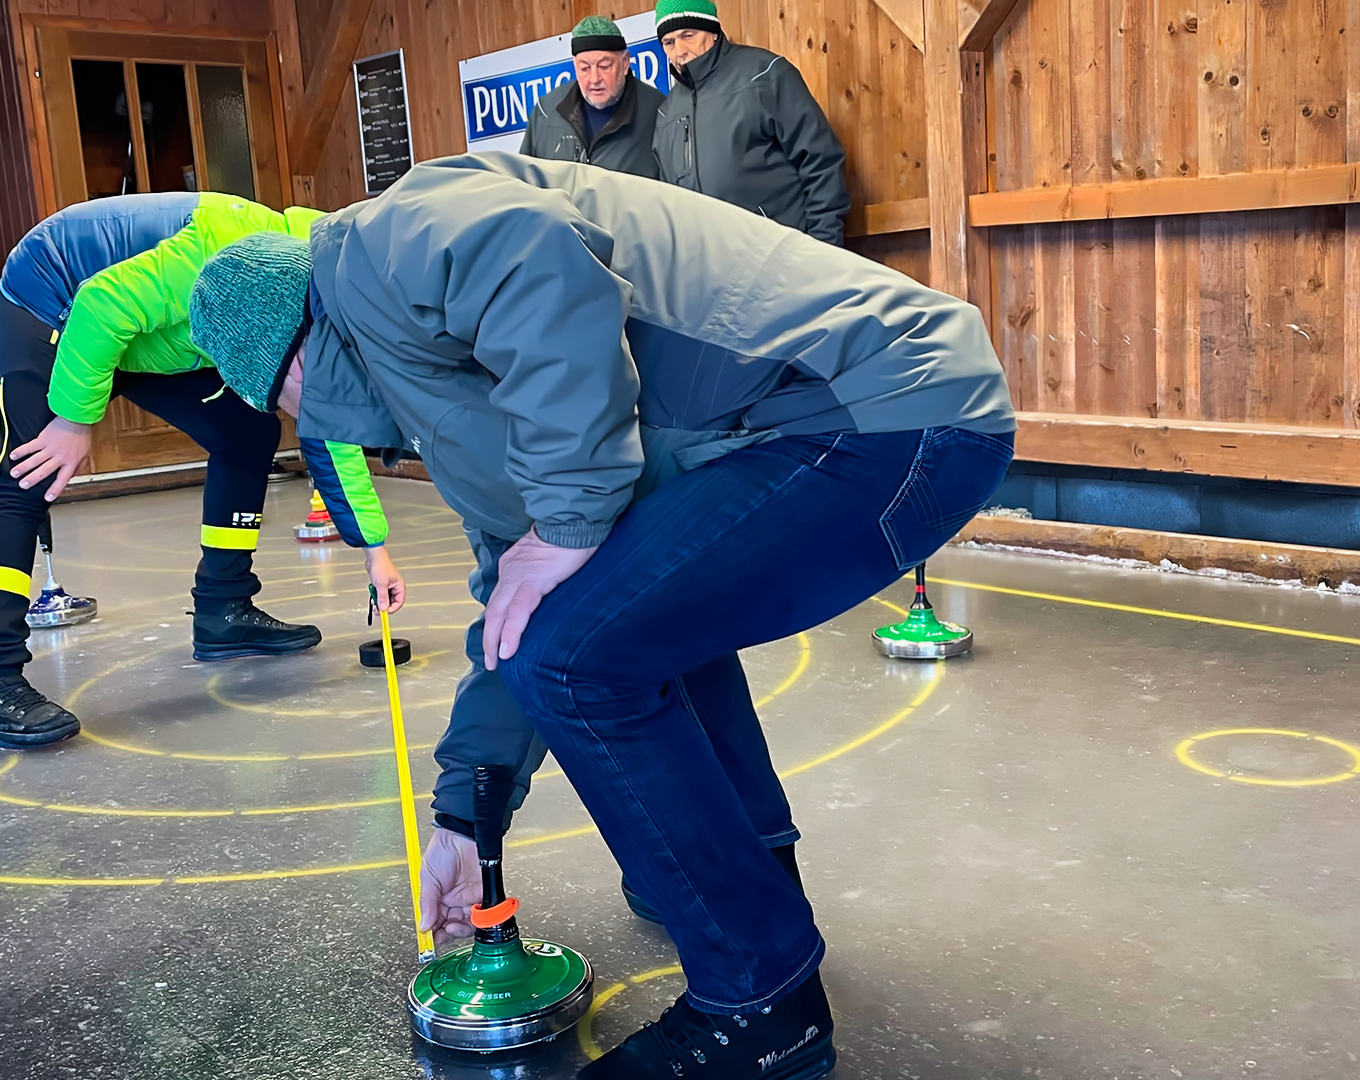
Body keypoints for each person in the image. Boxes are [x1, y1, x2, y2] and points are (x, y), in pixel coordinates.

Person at [189, 153, 1013, 1080]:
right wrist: (467, 811)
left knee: (578, 661)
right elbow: (516, 602)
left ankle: (761, 1005)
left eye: (281, 405)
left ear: (287, 364)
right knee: (624, 626)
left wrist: (571, 514)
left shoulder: (382, 247)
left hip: (881, 410)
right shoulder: (430, 384)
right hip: (856, 416)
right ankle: (756, 886)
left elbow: (536, 258)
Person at [0, 192, 405, 750]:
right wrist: (72, 418)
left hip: (157, 332)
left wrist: (373, 548)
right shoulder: (221, 255)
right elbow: (102, 306)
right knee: (28, 471)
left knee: (247, 432)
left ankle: (223, 610)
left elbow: (322, 415)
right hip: (62, 292)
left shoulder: (320, 315)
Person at [651, 0, 851, 245]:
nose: (679, 50)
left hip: (780, 253)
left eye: (688, 35)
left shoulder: (765, 74)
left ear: (713, 32)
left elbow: (820, 160)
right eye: (669, 42)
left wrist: (824, 248)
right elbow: (669, 202)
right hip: (708, 263)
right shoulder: (667, 113)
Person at [519, 15, 663, 177]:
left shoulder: (658, 112)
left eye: (604, 66)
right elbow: (525, 181)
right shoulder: (546, 112)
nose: (594, 79)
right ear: (575, 66)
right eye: (585, 68)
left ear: (625, 63)